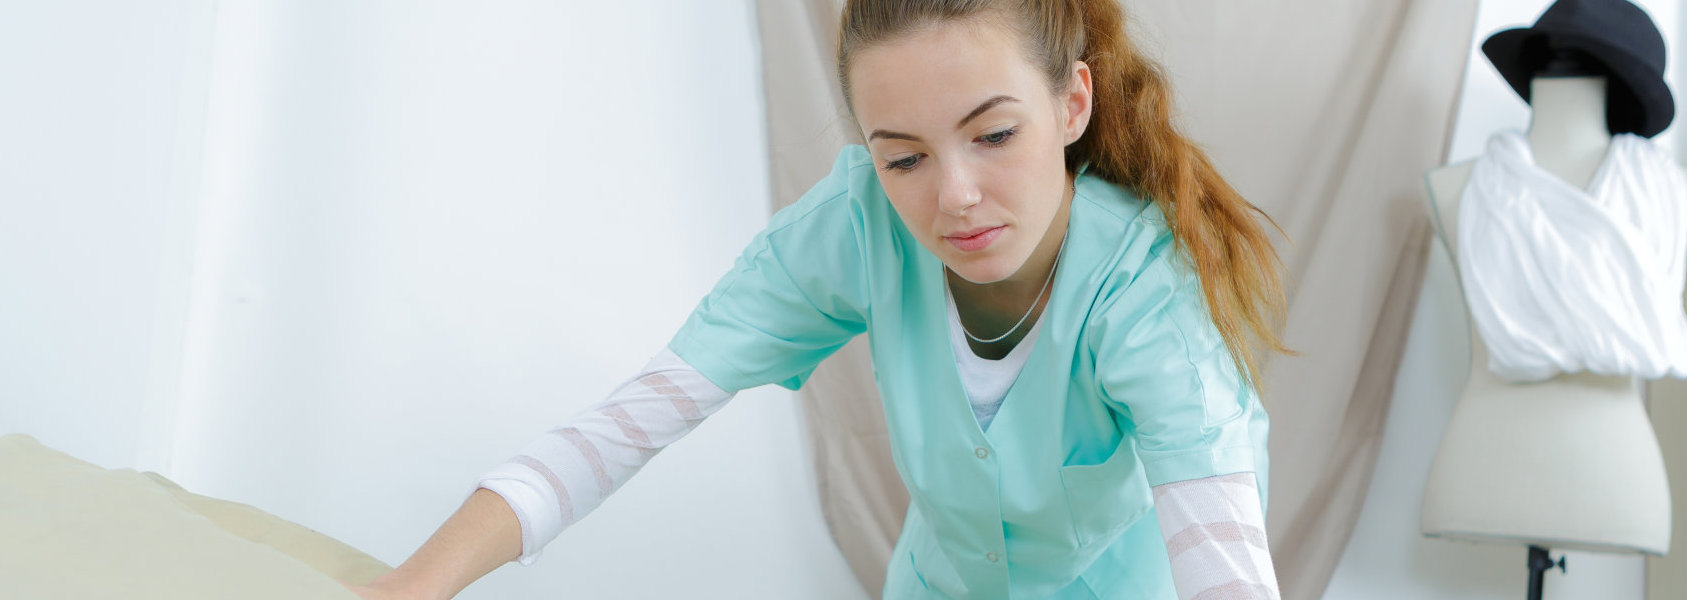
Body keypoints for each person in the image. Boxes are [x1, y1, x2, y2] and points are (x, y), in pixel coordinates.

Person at [339, 0, 1291, 598]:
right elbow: (625, 425)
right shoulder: (853, 225)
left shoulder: (1144, 291)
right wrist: (416, 586)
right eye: (904, 156)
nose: (952, 193)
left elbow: (1221, 561)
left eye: (993, 135)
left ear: (1071, 104)